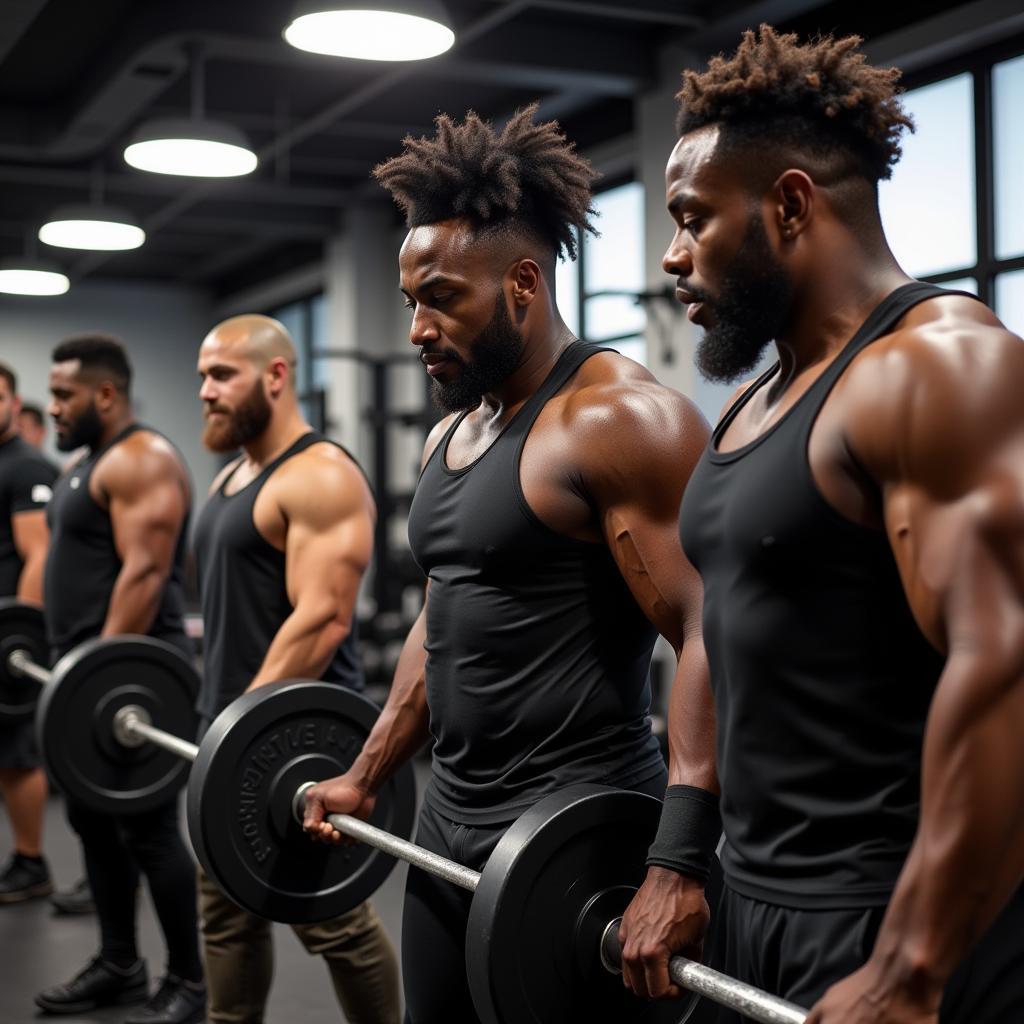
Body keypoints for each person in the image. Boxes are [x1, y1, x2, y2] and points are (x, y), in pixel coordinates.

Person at [618, 25, 1024, 1024]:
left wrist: (912, 961)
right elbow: (714, 628)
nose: (671, 257)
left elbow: (1004, 659)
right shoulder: (755, 404)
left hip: (896, 909)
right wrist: (678, 856)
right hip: (752, 898)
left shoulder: (937, 368)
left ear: (789, 204)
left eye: (690, 219)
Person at [301, 106, 712, 1024]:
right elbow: (439, 618)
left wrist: (679, 860)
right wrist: (369, 774)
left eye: (441, 297)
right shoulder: (450, 431)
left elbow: (706, 633)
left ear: (523, 281)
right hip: (449, 825)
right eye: (411, 300)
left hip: (580, 834)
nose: (417, 327)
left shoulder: (618, 422)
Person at [193, 314, 400, 1024]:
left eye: (222, 374)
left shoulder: (320, 476)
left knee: (334, 923)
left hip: (293, 741)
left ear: (275, 375)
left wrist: (235, 737)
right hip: (231, 729)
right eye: (201, 377)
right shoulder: (231, 475)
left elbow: (321, 620)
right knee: (224, 912)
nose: (206, 392)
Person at [34, 335, 206, 1024]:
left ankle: (188, 982)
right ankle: (119, 963)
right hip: (87, 674)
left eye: (63, 395)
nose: (52, 408)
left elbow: (141, 574)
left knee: (149, 831)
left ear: (105, 394)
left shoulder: (143, 459)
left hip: (129, 680)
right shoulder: (85, 463)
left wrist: (90, 682)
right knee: (91, 823)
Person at [0, 362, 57, 903]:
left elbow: (38, 554)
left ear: (14, 404)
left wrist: (21, 636)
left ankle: (31, 859)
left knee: (17, 755)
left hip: (9, 641)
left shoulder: (28, 467)